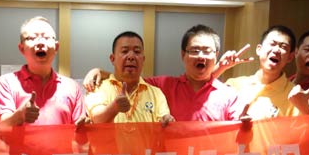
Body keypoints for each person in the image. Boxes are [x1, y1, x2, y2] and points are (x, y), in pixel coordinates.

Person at [83, 24, 244, 123]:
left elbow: (240, 126)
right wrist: (98, 71)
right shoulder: (165, 85)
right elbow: (129, 78)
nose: (201, 56)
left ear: (216, 54)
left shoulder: (228, 94)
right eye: (194, 51)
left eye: (207, 51)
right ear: (183, 55)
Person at [0, 16, 86, 127]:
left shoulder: (72, 87)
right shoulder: (6, 83)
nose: (40, 42)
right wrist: (20, 115)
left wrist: (85, 127)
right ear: (21, 48)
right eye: (32, 38)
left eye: (46, 37)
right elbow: (2, 125)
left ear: (56, 47)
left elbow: (80, 128)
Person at [223, 26, 309, 120]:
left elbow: (301, 132)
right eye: (272, 44)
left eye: (283, 47)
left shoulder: (295, 95)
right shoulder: (233, 85)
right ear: (259, 49)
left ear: (290, 57)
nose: (276, 50)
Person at [84, 31, 173, 125]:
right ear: (112, 59)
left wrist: (167, 121)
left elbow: (163, 122)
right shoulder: (98, 87)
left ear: (143, 60)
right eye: (124, 51)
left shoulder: (156, 93)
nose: (131, 57)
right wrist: (114, 108)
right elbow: (97, 120)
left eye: (137, 52)